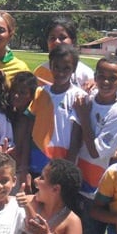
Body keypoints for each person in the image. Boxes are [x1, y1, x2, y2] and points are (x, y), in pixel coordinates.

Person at [72, 56, 117, 234]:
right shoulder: (87, 99)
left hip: (94, 189)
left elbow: (95, 153)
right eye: (101, 76)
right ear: (94, 76)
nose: (105, 81)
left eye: (112, 78)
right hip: (76, 181)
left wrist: (85, 118)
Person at [28, 44, 87, 178]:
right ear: (50, 66)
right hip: (38, 160)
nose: (60, 73)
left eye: (66, 68)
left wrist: (68, 168)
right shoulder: (40, 93)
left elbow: (76, 137)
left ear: (74, 69)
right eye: (56, 67)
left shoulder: (79, 97)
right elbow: (30, 129)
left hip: (62, 165)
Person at [33, 18, 94, 89]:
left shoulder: (86, 74)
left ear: (73, 41)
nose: (56, 42)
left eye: (62, 37)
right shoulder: (40, 73)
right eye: (52, 38)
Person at [6, 71, 38, 189]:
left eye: (22, 93)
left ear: (31, 96)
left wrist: (24, 168)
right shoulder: (12, 113)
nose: (16, 95)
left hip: (21, 170)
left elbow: (25, 142)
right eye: (14, 91)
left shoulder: (28, 117)